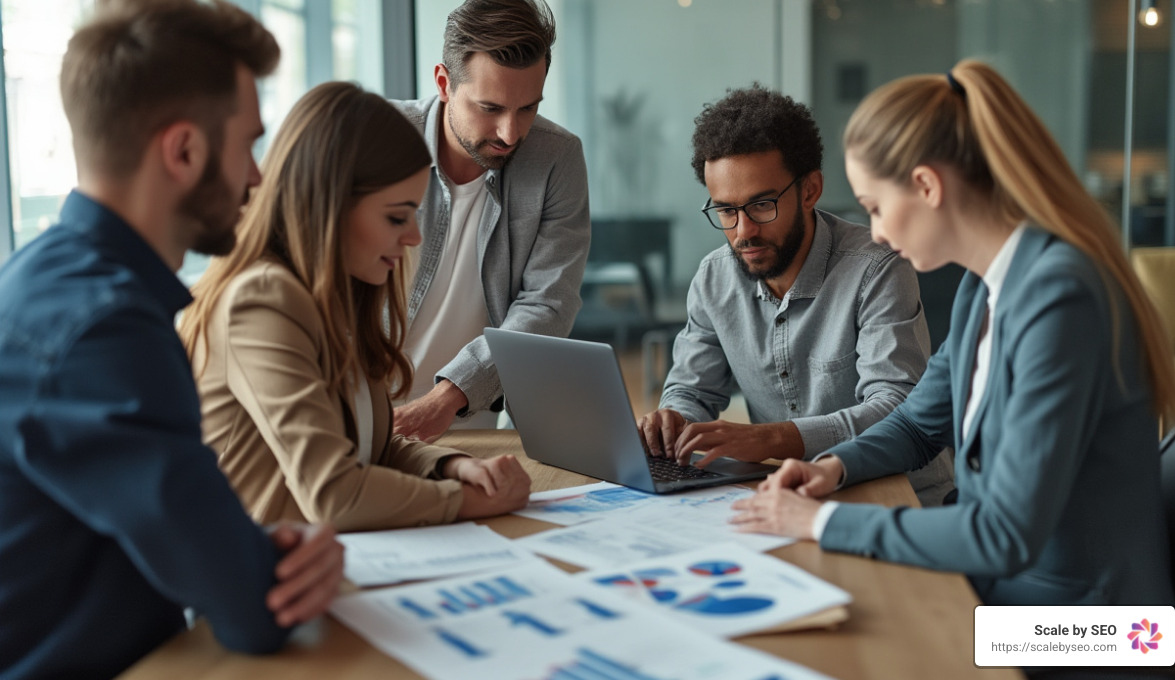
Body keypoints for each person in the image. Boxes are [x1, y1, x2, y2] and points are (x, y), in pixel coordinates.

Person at [732, 61, 1175, 617]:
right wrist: (835, 467)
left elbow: (1005, 535)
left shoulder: (1060, 298)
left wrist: (821, 521)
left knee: (880, 646)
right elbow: (920, 423)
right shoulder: (984, 284)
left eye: (875, 207)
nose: (874, 231)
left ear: (926, 185)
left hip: (1097, 629)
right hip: (1016, 591)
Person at [0, 2, 343, 678]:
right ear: (183, 150)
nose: (256, 176)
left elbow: (187, 539)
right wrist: (289, 561)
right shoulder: (104, 330)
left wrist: (251, 552)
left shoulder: (45, 278)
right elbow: (253, 609)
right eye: (249, 143)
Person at [179, 82, 531, 532]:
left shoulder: (334, 298)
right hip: (260, 580)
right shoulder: (261, 301)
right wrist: (464, 502)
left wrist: (452, 468)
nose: (413, 238)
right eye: (395, 216)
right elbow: (334, 493)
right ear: (330, 206)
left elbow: (372, 446)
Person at [636, 85, 954, 505]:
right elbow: (692, 391)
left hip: (898, 496)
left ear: (809, 191)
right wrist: (673, 421)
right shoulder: (714, 278)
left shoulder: (877, 267)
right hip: (789, 495)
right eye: (726, 211)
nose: (743, 231)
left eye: (762, 205)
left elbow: (894, 407)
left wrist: (772, 439)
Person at [390, 0, 591, 440]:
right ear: (444, 82)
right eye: (490, 107)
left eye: (527, 108)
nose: (510, 133)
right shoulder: (380, 137)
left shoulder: (557, 158)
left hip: (467, 424)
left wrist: (449, 396)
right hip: (354, 414)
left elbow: (548, 304)